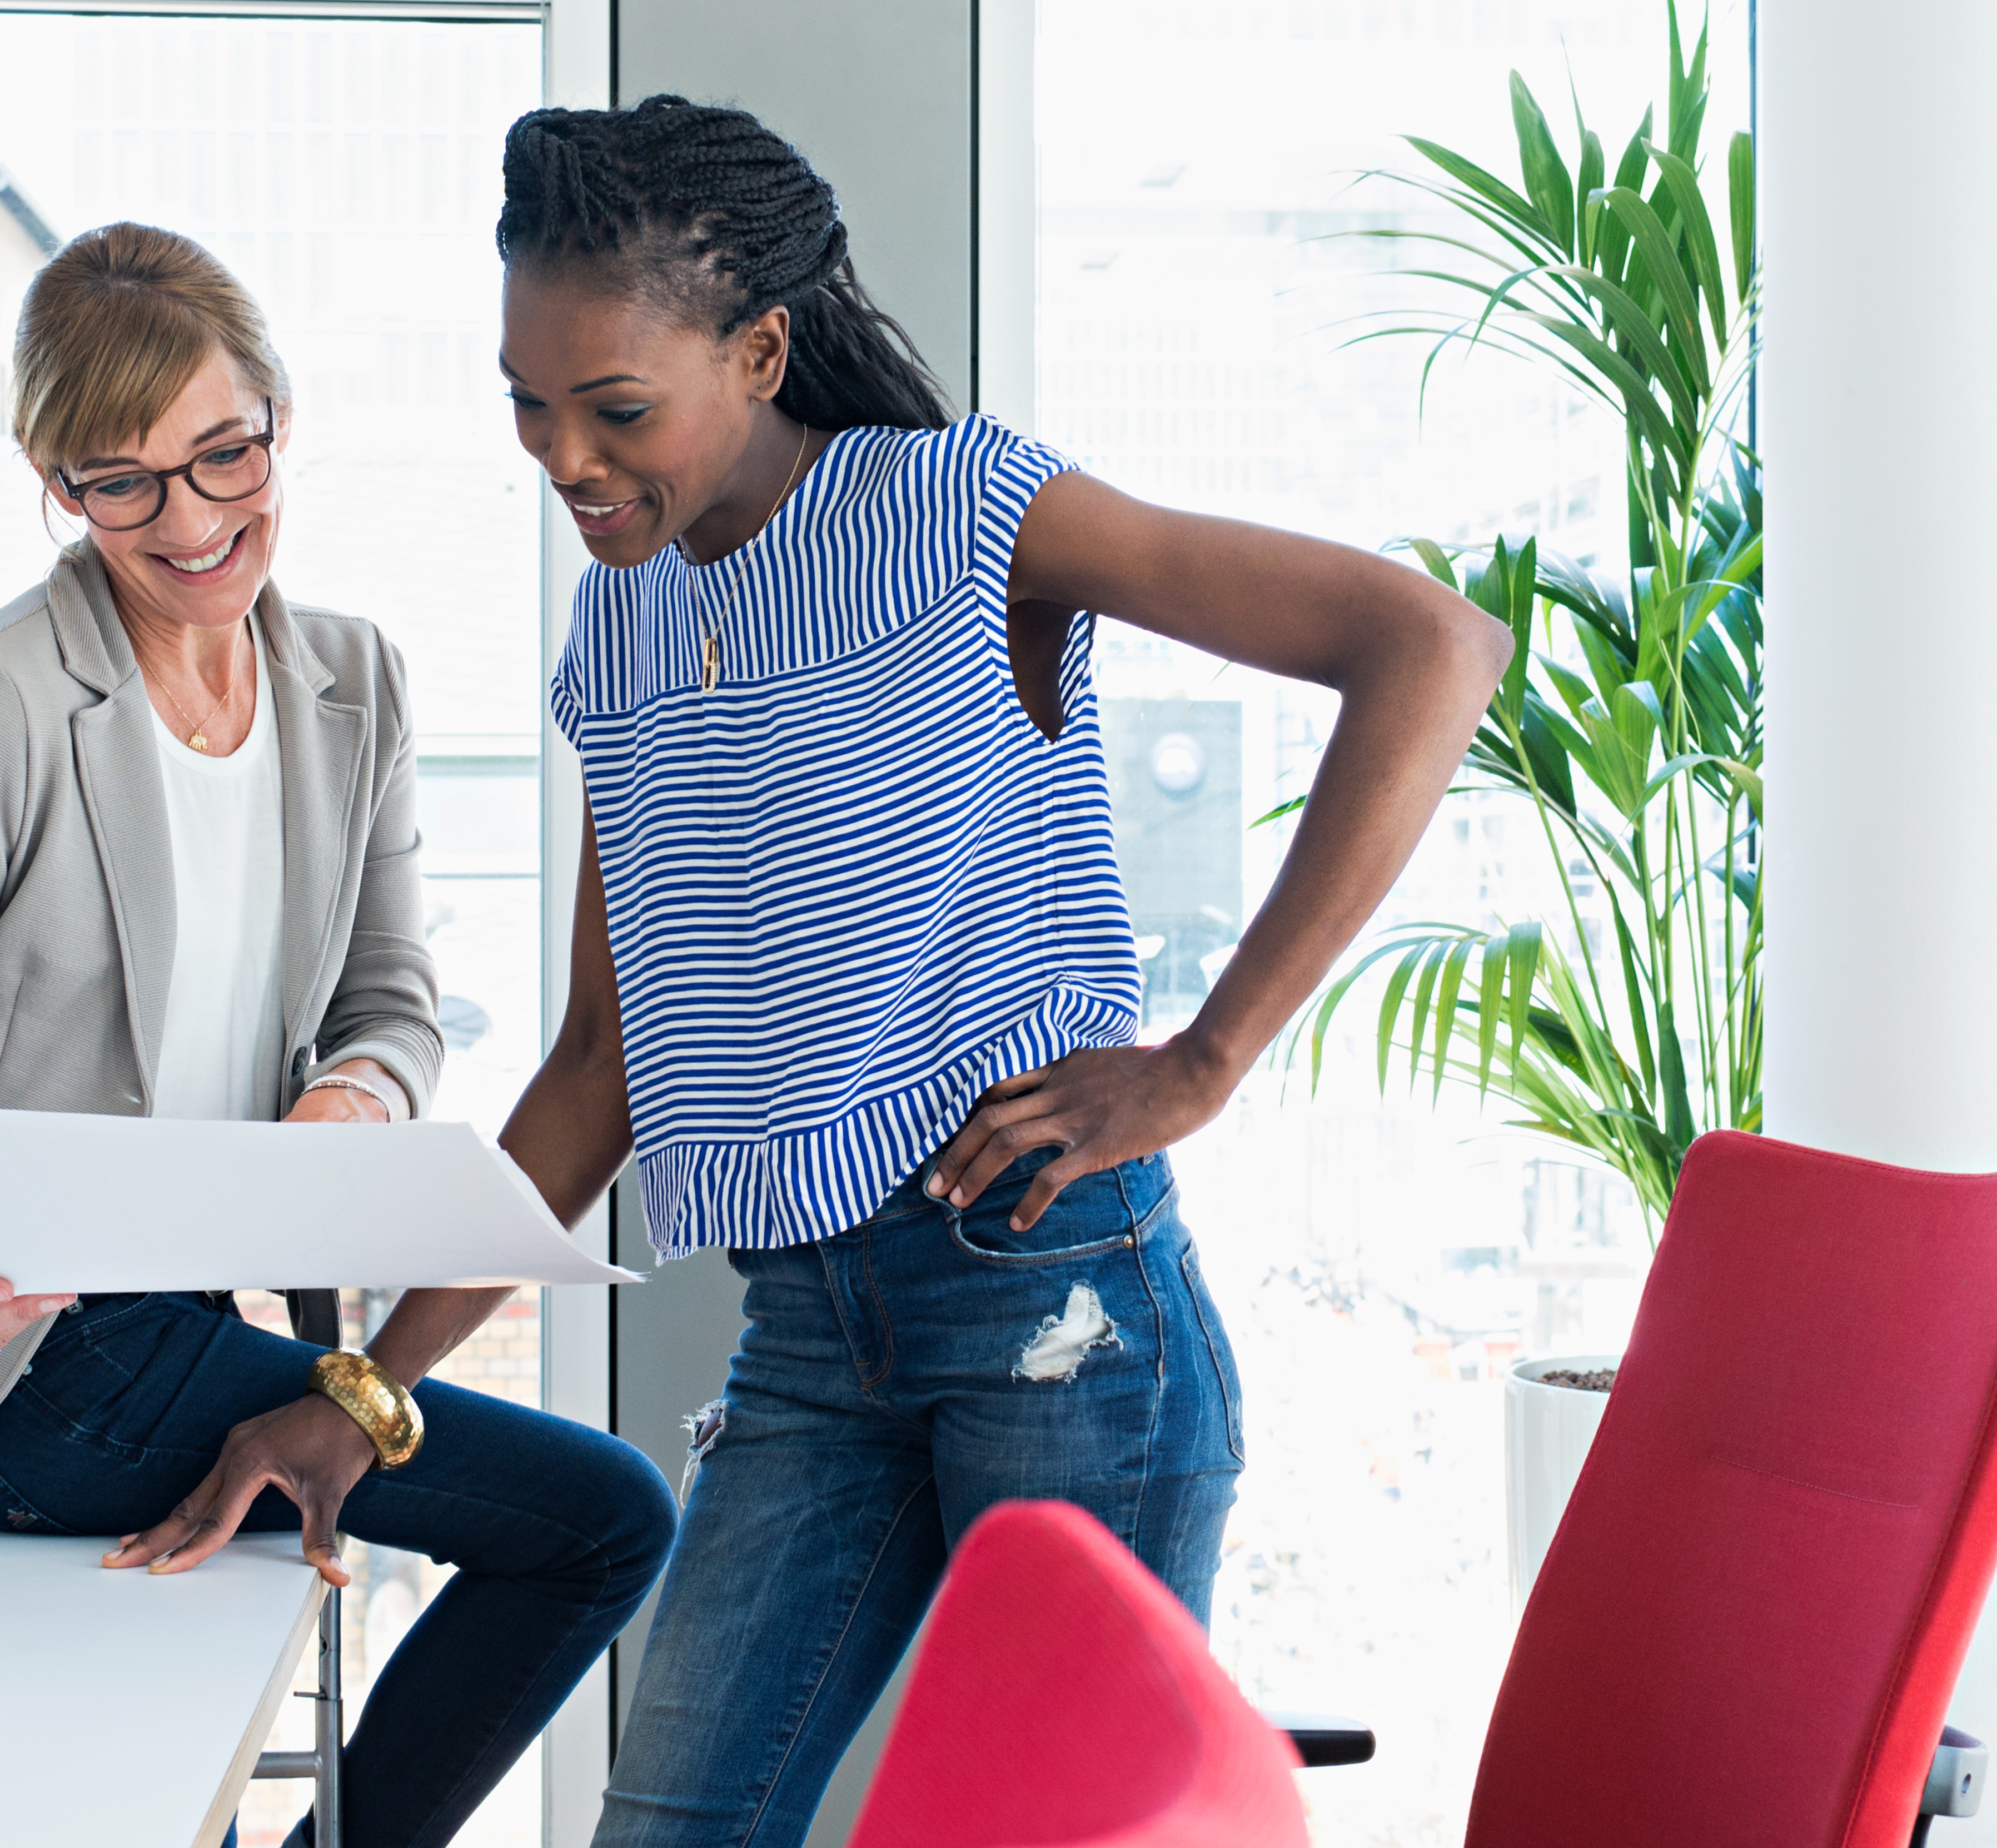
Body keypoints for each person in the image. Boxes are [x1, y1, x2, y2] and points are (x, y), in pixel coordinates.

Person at [481, 99, 1511, 1846]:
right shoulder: (623, 618)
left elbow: (1428, 643)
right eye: (527, 400)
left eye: (618, 407)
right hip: (808, 1336)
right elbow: (602, 1062)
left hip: (1057, 1312)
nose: (566, 456)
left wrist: (1203, 1058)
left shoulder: (962, 516)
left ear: (761, 347)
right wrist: (369, 1402)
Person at [0, 222, 673, 1848]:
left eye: (221, 454)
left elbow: (394, 1001)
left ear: (277, 417)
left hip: (187, 1313)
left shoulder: (353, 683)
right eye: (122, 484)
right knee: (605, 1516)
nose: (189, 523)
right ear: (58, 484)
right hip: (30, 1360)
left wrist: (352, 1102)